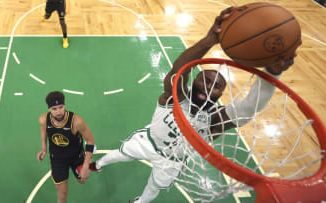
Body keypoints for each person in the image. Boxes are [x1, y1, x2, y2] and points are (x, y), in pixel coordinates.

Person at [89, 7, 299, 203]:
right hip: (148, 142)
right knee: (119, 154)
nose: (209, 87)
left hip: (172, 161)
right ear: (193, 80)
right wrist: (209, 40)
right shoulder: (175, 98)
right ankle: (98, 164)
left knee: (154, 187)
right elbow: (178, 69)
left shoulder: (213, 121)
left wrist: (273, 72)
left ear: (221, 95)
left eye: (216, 86)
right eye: (205, 80)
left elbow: (246, 110)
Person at [37, 91, 95, 203]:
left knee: (82, 180)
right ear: (49, 109)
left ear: (64, 106)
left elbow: (90, 140)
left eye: (61, 107)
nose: (58, 111)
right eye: (54, 109)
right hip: (58, 159)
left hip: (76, 157)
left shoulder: (76, 121)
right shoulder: (44, 119)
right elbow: (43, 131)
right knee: (62, 194)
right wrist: (44, 148)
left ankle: (91, 161)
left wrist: (86, 165)